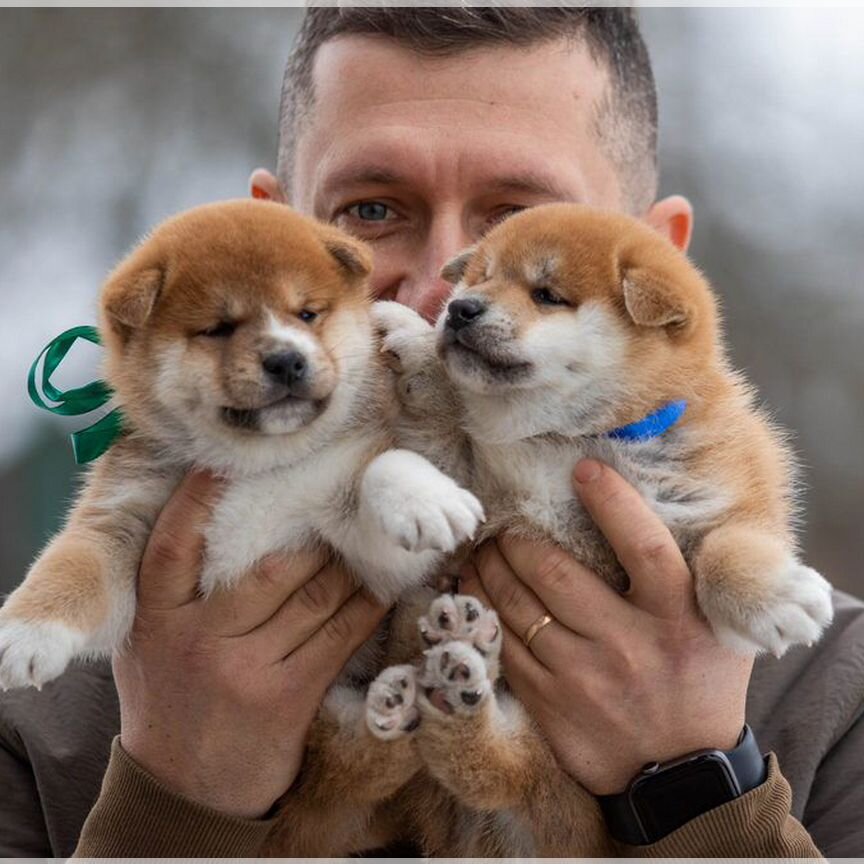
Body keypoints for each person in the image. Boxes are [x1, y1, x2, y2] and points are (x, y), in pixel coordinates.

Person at [2, 8, 863, 857]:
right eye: (372, 211)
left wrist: (697, 785)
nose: (445, 292)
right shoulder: (39, 708)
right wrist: (174, 803)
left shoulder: (834, 694)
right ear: (274, 227)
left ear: (658, 260)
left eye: (515, 219)